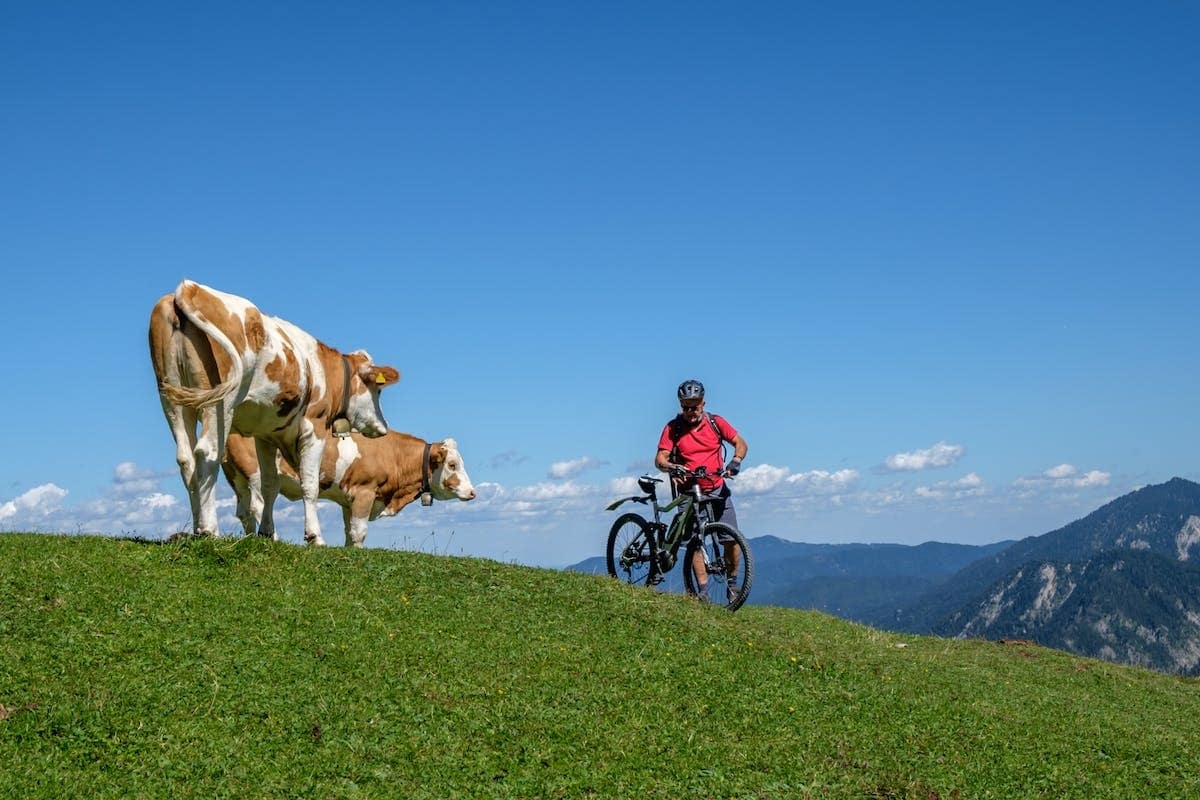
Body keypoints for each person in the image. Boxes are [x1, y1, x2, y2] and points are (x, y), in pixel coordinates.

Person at [654, 379, 748, 603]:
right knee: (695, 542)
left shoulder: (716, 423)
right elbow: (660, 458)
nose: (690, 411)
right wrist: (671, 466)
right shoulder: (673, 428)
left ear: (703, 403)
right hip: (689, 492)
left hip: (717, 489)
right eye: (685, 406)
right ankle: (703, 591)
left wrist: (735, 461)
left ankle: (732, 584)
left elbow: (740, 443)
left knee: (731, 540)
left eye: (694, 406)